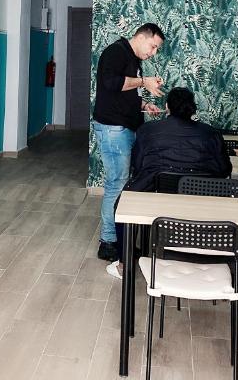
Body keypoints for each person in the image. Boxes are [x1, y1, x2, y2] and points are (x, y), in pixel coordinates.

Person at [106, 87, 230, 279]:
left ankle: (124, 264)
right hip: (200, 200)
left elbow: (137, 165)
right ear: (193, 108)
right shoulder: (211, 133)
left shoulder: (147, 130)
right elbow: (224, 169)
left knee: (121, 205)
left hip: (156, 193)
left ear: (167, 106)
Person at [93, 23, 165, 262]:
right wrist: (144, 81)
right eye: (153, 46)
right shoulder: (116, 52)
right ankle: (109, 243)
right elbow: (111, 84)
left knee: (122, 183)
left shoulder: (132, 59)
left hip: (124, 128)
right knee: (116, 184)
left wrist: (144, 105)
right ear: (141, 37)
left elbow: (123, 94)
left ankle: (118, 239)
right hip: (114, 130)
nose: (153, 52)